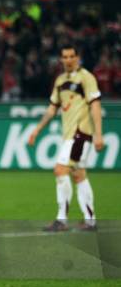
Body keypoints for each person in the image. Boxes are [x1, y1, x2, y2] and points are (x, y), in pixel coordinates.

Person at [29, 44, 104, 231]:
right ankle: (90, 220)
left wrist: (98, 134)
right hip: (69, 135)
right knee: (78, 174)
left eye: (72, 56)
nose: (68, 60)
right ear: (61, 59)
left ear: (78, 57)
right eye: (65, 56)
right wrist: (37, 130)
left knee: (60, 169)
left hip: (80, 133)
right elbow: (52, 108)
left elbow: (95, 106)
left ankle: (61, 220)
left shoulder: (86, 78)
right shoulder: (60, 80)